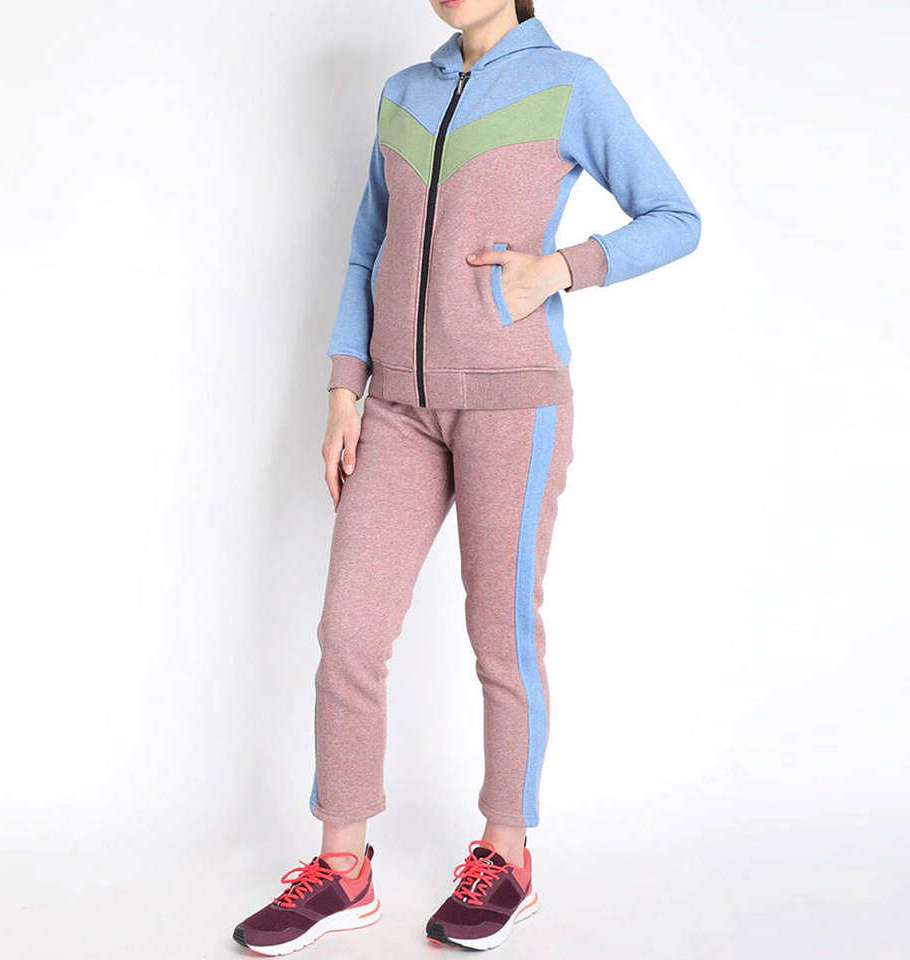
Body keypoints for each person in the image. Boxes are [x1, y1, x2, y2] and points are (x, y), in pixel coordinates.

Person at [233, 0, 700, 953]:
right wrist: (344, 389)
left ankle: (506, 857)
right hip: (396, 409)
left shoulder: (570, 83)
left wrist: (561, 268)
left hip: (511, 402)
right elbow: (367, 247)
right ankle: (343, 868)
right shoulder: (403, 95)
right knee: (350, 630)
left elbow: (675, 217)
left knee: (500, 633)